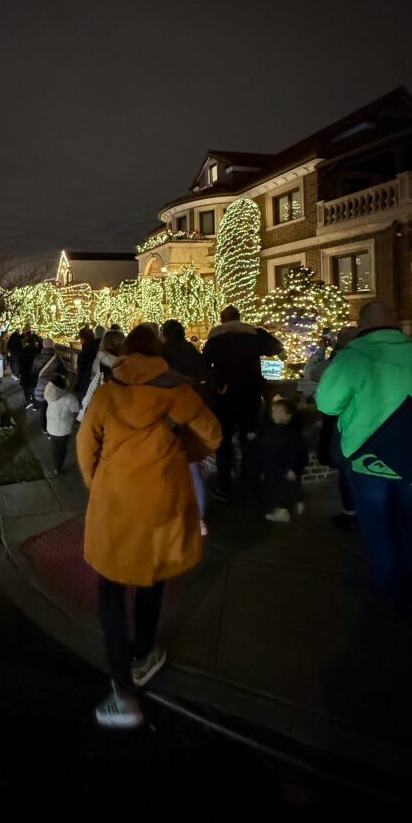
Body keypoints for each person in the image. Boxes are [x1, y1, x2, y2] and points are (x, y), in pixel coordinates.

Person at [77, 325, 221, 728]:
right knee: (151, 576)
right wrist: (180, 456)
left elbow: (86, 446)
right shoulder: (177, 391)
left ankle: (121, 684)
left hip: (116, 501)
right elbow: (212, 435)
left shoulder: (107, 393)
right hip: (160, 498)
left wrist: (98, 481)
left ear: (125, 354)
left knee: (109, 585)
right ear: (158, 354)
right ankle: (143, 651)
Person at [316, 301, 412, 604]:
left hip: (371, 462)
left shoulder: (351, 359)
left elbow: (327, 404)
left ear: (361, 324)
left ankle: (388, 591)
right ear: (396, 323)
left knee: (378, 529)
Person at [202, 305, 284, 500]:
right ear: (240, 318)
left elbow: (204, 365)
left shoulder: (216, 339)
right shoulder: (252, 336)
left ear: (222, 320)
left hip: (226, 397)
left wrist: (217, 383)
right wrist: (257, 331)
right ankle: (251, 483)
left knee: (224, 443)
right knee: (251, 439)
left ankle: (224, 486)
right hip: (250, 395)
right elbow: (276, 346)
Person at [161, 320, 209, 534]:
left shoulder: (161, 353)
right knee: (192, 465)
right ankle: (199, 518)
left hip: (168, 414)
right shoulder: (190, 350)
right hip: (190, 409)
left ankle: (173, 513)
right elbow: (204, 372)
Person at [316, 326, 359, 532]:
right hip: (367, 423)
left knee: (347, 469)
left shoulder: (339, 362)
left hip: (345, 423)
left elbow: (314, 374)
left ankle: (351, 513)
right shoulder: (371, 359)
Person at [259, 397, 309, 522]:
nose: (273, 413)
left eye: (276, 411)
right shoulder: (292, 433)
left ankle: (282, 511)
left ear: (288, 415)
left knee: (277, 489)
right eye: (272, 411)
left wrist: (289, 468)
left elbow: (275, 453)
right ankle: (296, 503)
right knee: (289, 487)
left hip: (280, 469)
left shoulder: (280, 433)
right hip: (285, 468)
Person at [77, 328, 125, 421]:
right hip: (117, 413)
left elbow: (84, 383)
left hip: (100, 410)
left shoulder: (97, 362)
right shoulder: (125, 365)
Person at [45, 373, 80, 474]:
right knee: (61, 449)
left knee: (55, 447)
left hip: (51, 427)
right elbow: (76, 411)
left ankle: (56, 464)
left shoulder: (49, 393)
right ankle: (57, 467)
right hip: (63, 430)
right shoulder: (69, 398)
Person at [33, 339, 67, 433]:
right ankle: (54, 427)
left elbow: (34, 371)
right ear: (53, 346)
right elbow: (64, 372)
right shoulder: (57, 359)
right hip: (54, 388)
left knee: (43, 408)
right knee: (54, 408)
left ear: (43, 346)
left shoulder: (37, 358)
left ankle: (44, 427)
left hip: (41, 388)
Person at [75, 327, 98, 400]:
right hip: (96, 384)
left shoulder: (83, 354)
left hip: (85, 385)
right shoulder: (98, 350)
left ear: (83, 339)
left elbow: (80, 372)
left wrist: (78, 385)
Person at [19, 334, 41, 407]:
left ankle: (28, 401)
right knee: (33, 388)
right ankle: (35, 403)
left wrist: (20, 372)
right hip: (34, 373)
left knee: (26, 389)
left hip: (25, 373)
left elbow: (21, 362)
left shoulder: (24, 351)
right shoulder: (37, 351)